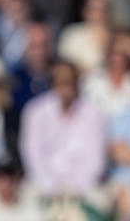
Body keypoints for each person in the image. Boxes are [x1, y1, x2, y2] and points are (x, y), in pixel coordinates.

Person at [18, 59, 107, 197]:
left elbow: (95, 160)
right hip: (42, 185)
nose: (66, 87)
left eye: (69, 81)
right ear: (53, 83)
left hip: (84, 187)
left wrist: (75, 188)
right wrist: (52, 188)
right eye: (61, 81)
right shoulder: (35, 111)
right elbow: (32, 156)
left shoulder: (94, 113)